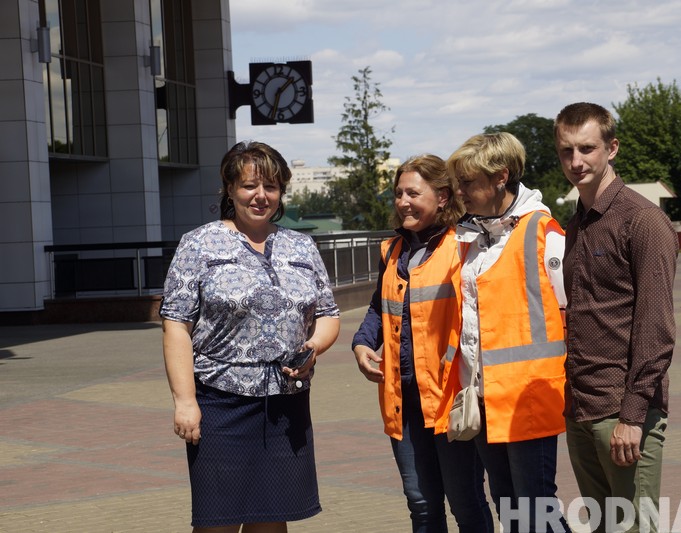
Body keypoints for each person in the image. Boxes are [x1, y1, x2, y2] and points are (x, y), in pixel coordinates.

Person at [160, 141, 340, 533]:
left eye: (271, 187)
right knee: (217, 522)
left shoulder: (301, 245)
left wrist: (315, 345)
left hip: (285, 404)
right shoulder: (199, 244)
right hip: (220, 403)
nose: (261, 196)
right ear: (229, 189)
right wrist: (185, 401)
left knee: (271, 520)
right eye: (249, 186)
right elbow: (176, 324)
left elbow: (327, 313)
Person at [352, 154, 494, 533]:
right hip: (403, 399)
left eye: (413, 193)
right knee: (421, 505)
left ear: (443, 197)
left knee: (465, 502)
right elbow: (376, 308)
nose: (403, 202)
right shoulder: (392, 250)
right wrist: (363, 343)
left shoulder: (464, 247)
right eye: (398, 193)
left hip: (450, 399)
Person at [554, 102, 678, 533]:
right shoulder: (575, 225)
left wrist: (632, 416)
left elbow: (656, 326)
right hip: (580, 406)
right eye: (566, 151)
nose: (576, 161)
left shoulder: (643, 221)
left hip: (623, 412)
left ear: (612, 148)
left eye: (587, 148)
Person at [442, 132, 570, 533]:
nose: (459, 192)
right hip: (484, 396)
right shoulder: (475, 236)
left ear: (500, 177)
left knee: (535, 510)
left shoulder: (543, 232)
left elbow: (573, 314)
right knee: (510, 507)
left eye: (468, 183)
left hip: (528, 396)